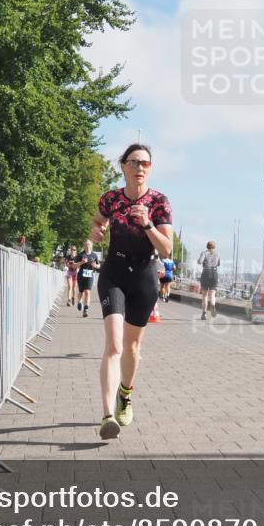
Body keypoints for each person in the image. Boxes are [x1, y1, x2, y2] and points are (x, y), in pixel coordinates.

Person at [89, 143, 173, 440]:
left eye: (146, 164)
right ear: (122, 166)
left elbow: (166, 248)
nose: (140, 168)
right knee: (113, 345)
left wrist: (147, 223)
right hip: (114, 272)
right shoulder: (110, 199)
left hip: (145, 275)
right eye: (135, 162)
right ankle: (107, 416)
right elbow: (98, 222)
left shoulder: (159, 201)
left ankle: (125, 395)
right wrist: (95, 230)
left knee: (132, 348)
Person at [72, 240, 101, 317]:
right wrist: (82, 262)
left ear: (91, 246)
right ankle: (79, 302)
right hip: (81, 275)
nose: (87, 246)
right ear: (84, 246)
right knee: (81, 292)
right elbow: (74, 265)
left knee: (87, 292)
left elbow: (99, 265)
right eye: (86, 245)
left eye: (89, 245)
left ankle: (85, 310)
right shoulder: (81, 254)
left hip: (90, 275)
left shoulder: (94, 255)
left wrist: (95, 266)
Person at [197, 241, 220, 320]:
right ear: (214, 247)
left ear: (207, 246)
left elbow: (199, 261)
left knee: (205, 295)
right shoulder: (217, 254)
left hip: (206, 272)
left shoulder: (204, 253)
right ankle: (212, 304)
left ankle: (204, 313)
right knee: (212, 294)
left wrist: (200, 261)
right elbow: (218, 264)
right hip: (214, 273)